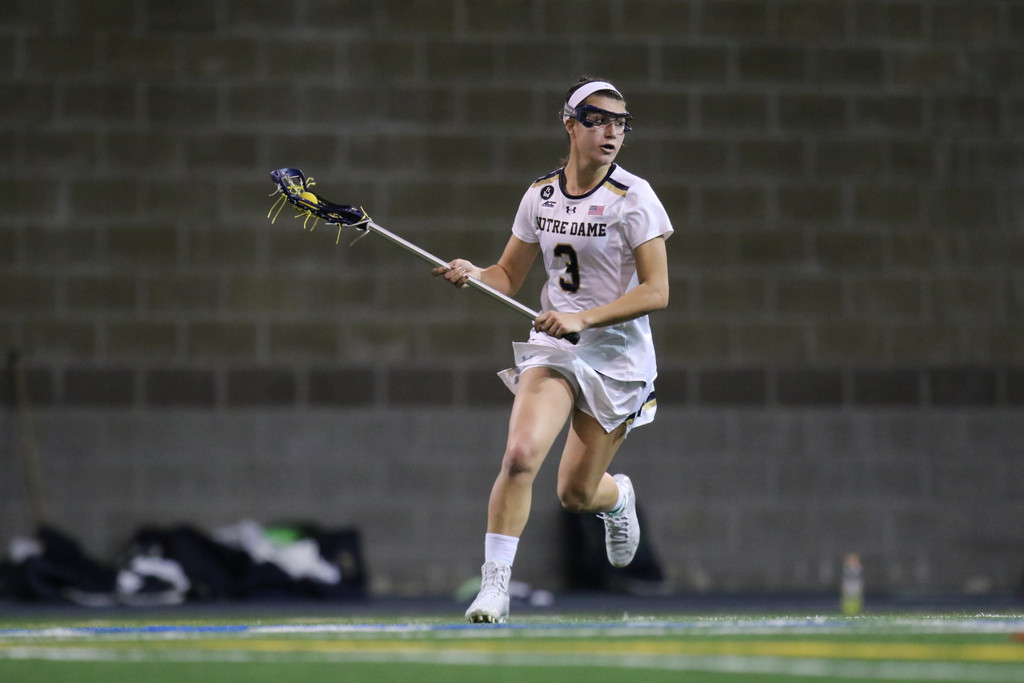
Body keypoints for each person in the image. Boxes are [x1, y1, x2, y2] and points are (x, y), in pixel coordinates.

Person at [433, 77, 673, 623]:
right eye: (598, 120)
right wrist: (473, 274)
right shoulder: (540, 195)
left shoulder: (634, 198)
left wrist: (581, 318)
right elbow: (508, 276)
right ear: (570, 124)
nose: (612, 131)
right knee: (519, 457)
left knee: (574, 495)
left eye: (620, 122)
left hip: (615, 359)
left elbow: (657, 292)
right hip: (554, 349)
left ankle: (617, 499)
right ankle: (495, 587)